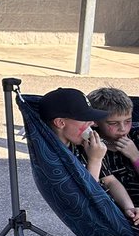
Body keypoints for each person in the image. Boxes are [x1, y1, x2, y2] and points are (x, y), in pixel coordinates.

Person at [42, 88, 139, 226]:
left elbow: (110, 181)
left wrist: (135, 156)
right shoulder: (62, 153)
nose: (92, 123)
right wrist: (95, 160)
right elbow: (88, 199)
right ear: (60, 122)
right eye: (86, 118)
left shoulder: (85, 143)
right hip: (108, 217)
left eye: (128, 121)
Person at [86, 87, 139, 212]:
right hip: (121, 208)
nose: (122, 128)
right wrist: (130, 208)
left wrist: (135, 156)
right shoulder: (93, 145)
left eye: (128, 121)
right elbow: (109, 181)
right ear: (95, 122)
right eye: (113, 123)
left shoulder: (136, 136)